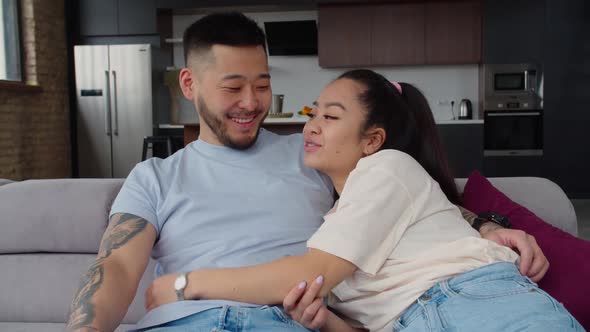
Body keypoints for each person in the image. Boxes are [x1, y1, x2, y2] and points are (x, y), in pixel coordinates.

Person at [66, 12, 548, 332]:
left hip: (285, 322)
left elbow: (413, 199)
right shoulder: (153, 176)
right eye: (233, 87)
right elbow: (117, 266)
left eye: (262, 85)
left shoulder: (314, 153)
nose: (251, 103)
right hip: (185, 322)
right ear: (190, 85)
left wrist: (488, 226)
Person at [145, 69, 582, 332]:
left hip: (480, 305)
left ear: (372, 140)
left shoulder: (387, 168)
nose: (312, 127)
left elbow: (313, 272)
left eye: (330, 117)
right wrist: (324, 322)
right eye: (312, 113)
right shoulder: (337, 220)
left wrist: (184, 284)